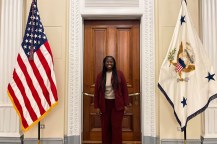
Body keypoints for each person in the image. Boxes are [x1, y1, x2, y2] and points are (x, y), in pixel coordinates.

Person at [94, 56, 129, 144]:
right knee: (106, 128)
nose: (109, 63)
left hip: (117, 105)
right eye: (107, 62)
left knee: (116, 128)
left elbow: (125, 90)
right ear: (104, 63)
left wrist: (126, 104)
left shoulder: (119, 74)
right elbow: (96, 93)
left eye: (111, 62)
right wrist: (97, 106)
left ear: (114, 63)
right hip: (104, 105)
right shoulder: (100, 75)